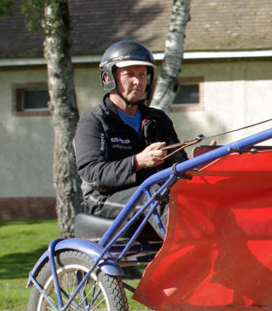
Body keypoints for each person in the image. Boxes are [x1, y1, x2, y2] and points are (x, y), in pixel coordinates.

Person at [74, 40, 188, 220]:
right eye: (129, 74)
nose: (137, 81)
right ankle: (186, 247)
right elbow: (94, 175)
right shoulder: (94, 121)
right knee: (151, 195)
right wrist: (138, 161)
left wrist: (202, 162)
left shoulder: (158, 120)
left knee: (190, 195)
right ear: (108, 78)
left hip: (153, 192)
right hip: (104, 199)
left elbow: (178, 165)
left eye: (142, 75)